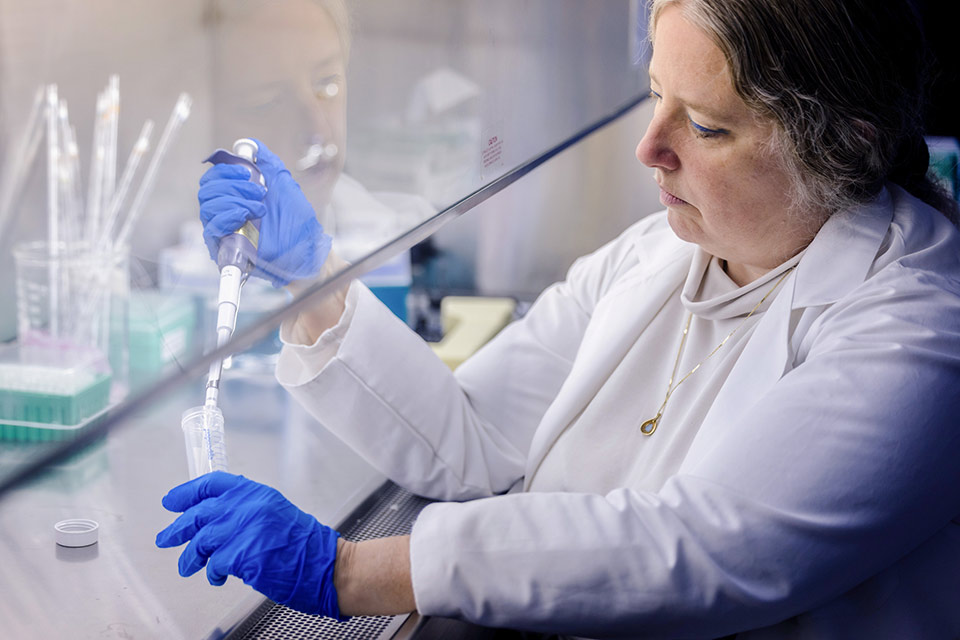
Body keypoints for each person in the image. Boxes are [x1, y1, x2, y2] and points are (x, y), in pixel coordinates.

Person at [157, 0, 960, 637]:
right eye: (654, 97)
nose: (649, 148)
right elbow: (466, 440)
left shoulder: (918, 331)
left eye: (706, 125)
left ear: (844, 145)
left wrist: (345, 574)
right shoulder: (657, 253)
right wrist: (315, 278)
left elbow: (697, 554)